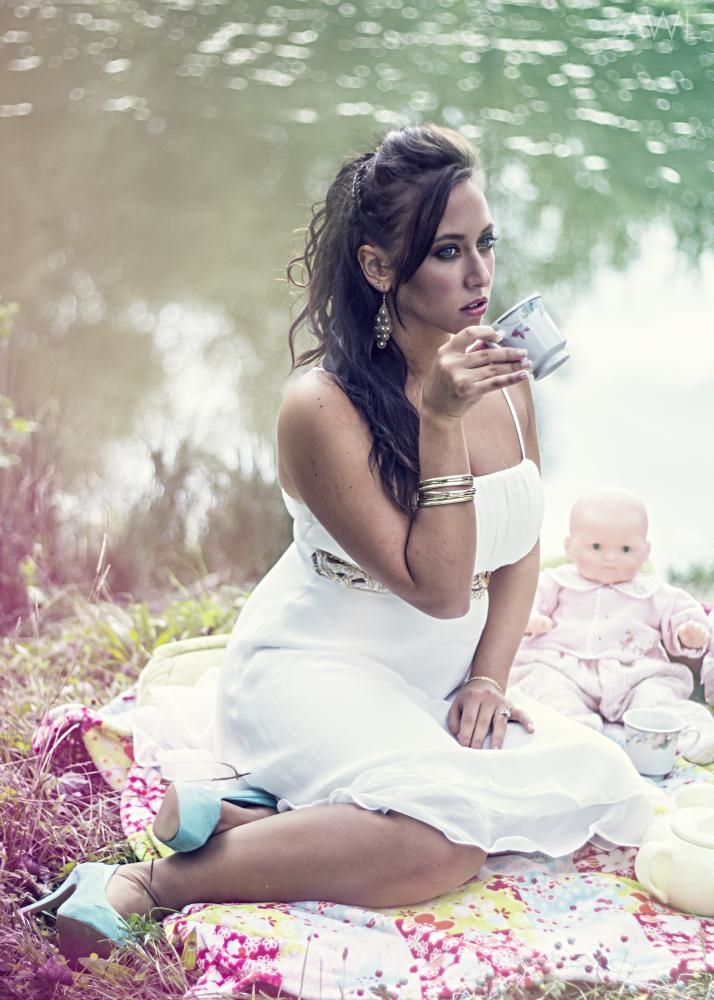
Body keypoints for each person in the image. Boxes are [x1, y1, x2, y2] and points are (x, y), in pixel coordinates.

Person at [21, 124, 661, 968]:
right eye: (448, 251)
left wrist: (488, 676)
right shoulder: (319, 408)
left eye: (486, 244)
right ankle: (142, 884)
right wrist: (440, 421)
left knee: (593, 781)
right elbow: (438, 587)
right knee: (441, 843)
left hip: (436, 681)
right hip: (314, 666)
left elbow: (517, 547)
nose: (480, 275)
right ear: (378, 267)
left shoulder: (504, 379)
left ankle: (252, 816)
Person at [509, 487, 714, 763]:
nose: (610, 557)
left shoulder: (654, 592)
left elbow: (683, 612)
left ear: (646, 552)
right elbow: (525, 597)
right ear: (569, 546)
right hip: (563, 667)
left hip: (634, 673)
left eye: (626, 549)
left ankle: (693, 736)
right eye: (596, 547)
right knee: (549, 691)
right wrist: (530, 618)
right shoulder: (556, 581)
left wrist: (687, 633)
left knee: (656, 698)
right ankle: (578, 740)